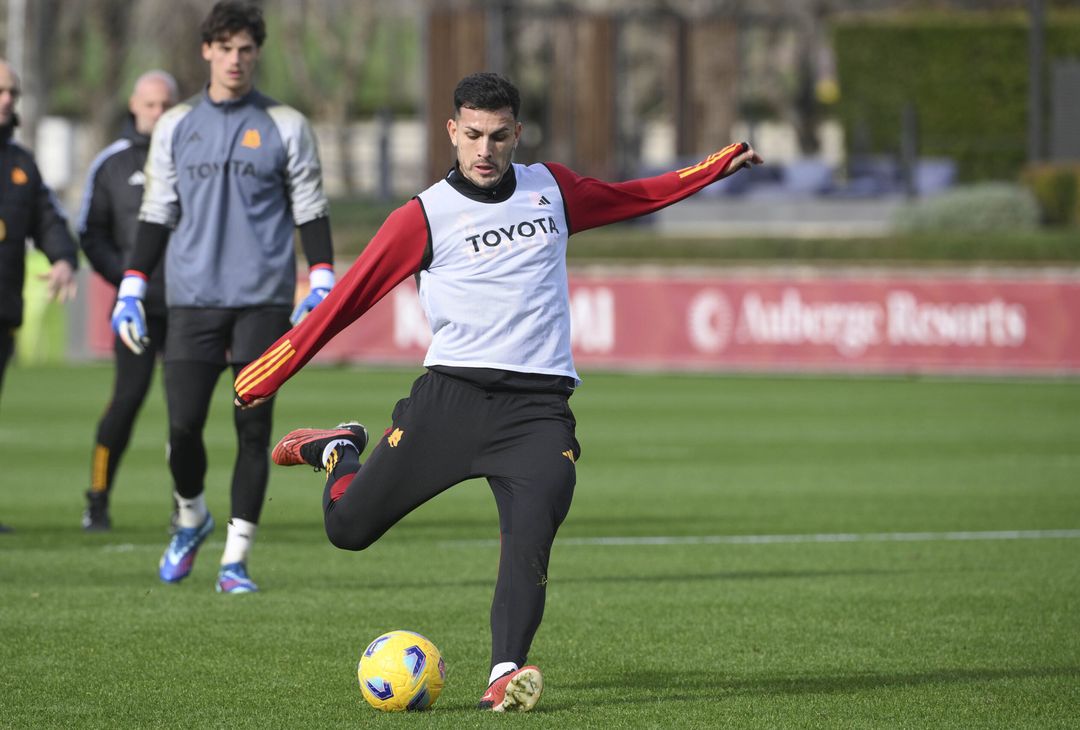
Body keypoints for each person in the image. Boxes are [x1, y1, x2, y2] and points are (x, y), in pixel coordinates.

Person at [234, 72, 763, 709]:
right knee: (348, 529)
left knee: (529, 537)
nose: (485, 149)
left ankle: (504, 673)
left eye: (499, 135)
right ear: (453, 133)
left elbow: (636, 197)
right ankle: (338, 451)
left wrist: (713, 167)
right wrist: (276, 367)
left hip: (538, 413)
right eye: (474, 135)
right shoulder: (423, 216)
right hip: (450, 401)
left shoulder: (552, 190)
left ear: (518, 134)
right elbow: (347, 301)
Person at [111, 2, 336, 592]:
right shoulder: (176, 124)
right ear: (206, 50)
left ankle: (235, 559)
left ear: (256, 54)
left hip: (261, 305)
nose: (235, 60)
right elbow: (157, 213)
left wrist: (322, 280)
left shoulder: (286, 124)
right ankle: (191, 518)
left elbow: (311, 208)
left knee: (253, 432)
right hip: (191, 303)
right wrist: (132, 288)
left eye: (246, 49)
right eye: (225, 48)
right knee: (182, 428)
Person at [78, 70, 180, 531]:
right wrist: (125, 281)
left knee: (185, 410)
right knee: (127, 399)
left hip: (188, 306)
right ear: (135, 106)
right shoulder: (112, 164)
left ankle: (186, 504)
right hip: (137, 309)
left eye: (166, 105)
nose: (158, 114)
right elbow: (90, 232)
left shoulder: (191, 157)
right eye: (151, 105)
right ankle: (97, 498)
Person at [0, 59, 79, 533]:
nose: (7, 100)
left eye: (12, 92)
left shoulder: (21, 165)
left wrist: (63, 257)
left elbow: (48, 219)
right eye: (0, 91)